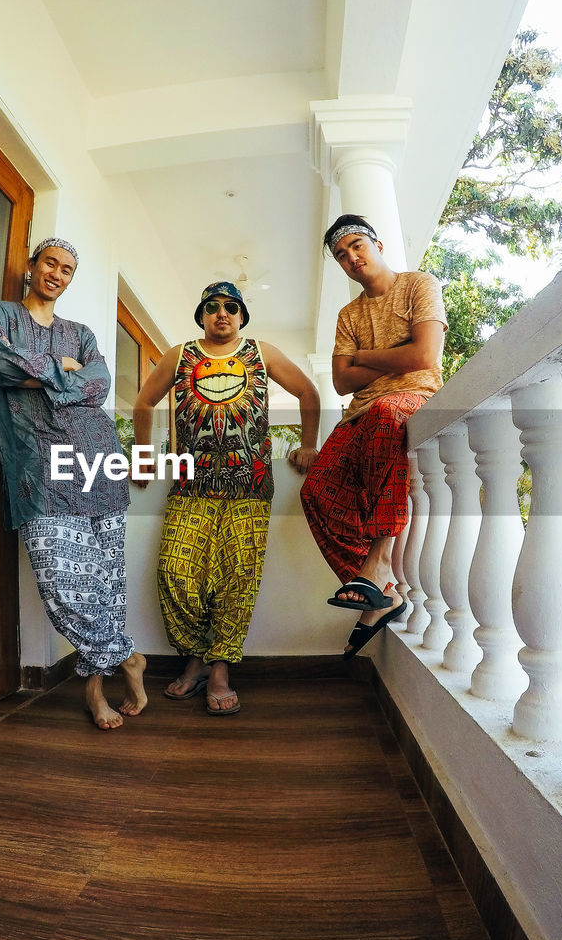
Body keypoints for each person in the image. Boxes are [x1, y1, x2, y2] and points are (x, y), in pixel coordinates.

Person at [132, 281, 320, 715]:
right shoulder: (179, 354)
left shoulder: (260, 351)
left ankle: (219, 670)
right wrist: (143, 458)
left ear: (241, 316)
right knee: (176, 574)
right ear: (202, 315)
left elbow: (308, 393)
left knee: (238, 578)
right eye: (213, 307)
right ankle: (194, 660)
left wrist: (308, 444)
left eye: (231, 307)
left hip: (249, 486)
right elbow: (144, 403)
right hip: (190, 485)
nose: (222, 314)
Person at [0, 237, 146, 730]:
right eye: (50, 263)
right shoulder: (0, 315)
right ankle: (130, 659)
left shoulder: (81, 332)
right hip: (40, 466)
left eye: (68, 269)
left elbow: (98, 386)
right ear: (32, 266)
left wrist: (46, 374)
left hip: (98, 458)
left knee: (105, 585)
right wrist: (62, 372)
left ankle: (95, 690)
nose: (58, 273)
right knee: (63, 582)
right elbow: (1, 364)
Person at [299, 215, 447, 658]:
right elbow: (342, 382)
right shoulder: (349, 315)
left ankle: (379, 560)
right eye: (342, 255)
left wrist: (363, 356)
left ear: (377, 244)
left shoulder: (419, 285)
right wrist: (392, 356)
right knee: (316, 493)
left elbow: (424, 355)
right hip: (358, 411)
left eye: (357, 246)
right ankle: (380, 590)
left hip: (414, 398)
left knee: (385, 413)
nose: (352, 258)